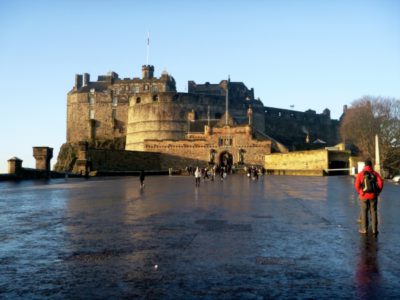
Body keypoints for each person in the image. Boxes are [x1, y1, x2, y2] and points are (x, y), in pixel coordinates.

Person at [354, 160, 383, 235]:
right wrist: (377, 192)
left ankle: (364, 229)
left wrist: (361, 192)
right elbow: (380, 183)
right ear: (371, 165)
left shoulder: (361, 174)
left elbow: (357, 185)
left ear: (365, 165)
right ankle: (374, 230)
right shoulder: (375, 173)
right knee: (373, 212)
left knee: (364, 212)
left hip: (364, 196)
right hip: (373, 196)